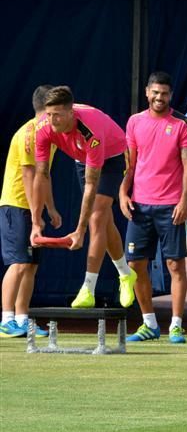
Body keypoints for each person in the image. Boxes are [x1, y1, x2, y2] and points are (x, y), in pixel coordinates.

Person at [30, 86, 136, 309]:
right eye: (49, 114)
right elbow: (41, 174)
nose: (52, 120)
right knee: (104, 221)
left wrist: (80, 231)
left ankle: (88, 288)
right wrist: (35, 222)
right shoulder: (43, 129)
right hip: (82, 159)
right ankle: (126, 275)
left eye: (57, 114)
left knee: (97, 218)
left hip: (113, 156)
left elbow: (91, 184)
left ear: (71, 113)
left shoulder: (91, 131)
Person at [120, 72, 187, 344]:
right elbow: (131, 165)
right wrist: (122, 193)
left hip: (170, 206)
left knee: (175, 265)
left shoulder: (183, 124)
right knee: (135, 264)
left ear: (171, 96)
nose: (159, 97)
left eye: (164, 93)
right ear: (147, 92)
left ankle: (176, 325)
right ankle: (149, 323)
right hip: (140, 206)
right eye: (155, 92)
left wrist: (184, 200)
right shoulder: (134, 122)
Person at [0, 86, 59, 337]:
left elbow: (44, 176)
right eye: (55, 110)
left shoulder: (50, 136)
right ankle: (6, 320)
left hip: (32, 208)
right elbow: (28, 176)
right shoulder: (28, 134)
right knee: (19, 263)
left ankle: (23, 318)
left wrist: (51, 208)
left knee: (31, 266)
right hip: (16, 206)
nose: (59, 115)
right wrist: (35, 218)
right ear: (46, 109)